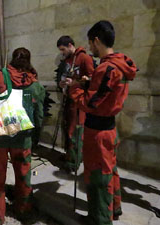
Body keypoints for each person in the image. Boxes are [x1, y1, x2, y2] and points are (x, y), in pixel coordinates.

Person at [65, 21, 137, 225]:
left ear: (97, 40)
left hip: (97, 132)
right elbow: (106, 90)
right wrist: (87, 82)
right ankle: (114, 208)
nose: (89, 48)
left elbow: (91, 103)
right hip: (109, 128)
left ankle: (100, 220)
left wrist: (74, 89)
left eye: (90, 43)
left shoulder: (107, 68)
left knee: (98, 178)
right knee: (110, 172)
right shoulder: (119, 64)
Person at [0, 48, 45, 224]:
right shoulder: (34, 81)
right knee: (24, 173)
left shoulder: (0, 75)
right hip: (23, 136)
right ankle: (24, 210)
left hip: (0, 135)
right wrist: (35, 137)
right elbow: (39, 114)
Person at [56, 36, 94, 172]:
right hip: (69, 100)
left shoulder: (84, 58)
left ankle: (74, 162)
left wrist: (76, 82)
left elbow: (92, 79)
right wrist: (62, 84)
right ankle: (69, 155)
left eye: (63, 49)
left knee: (75, 131)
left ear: (70, 45)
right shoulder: (67, 60)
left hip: (79, 102)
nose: (62, 52)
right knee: (67, 129)